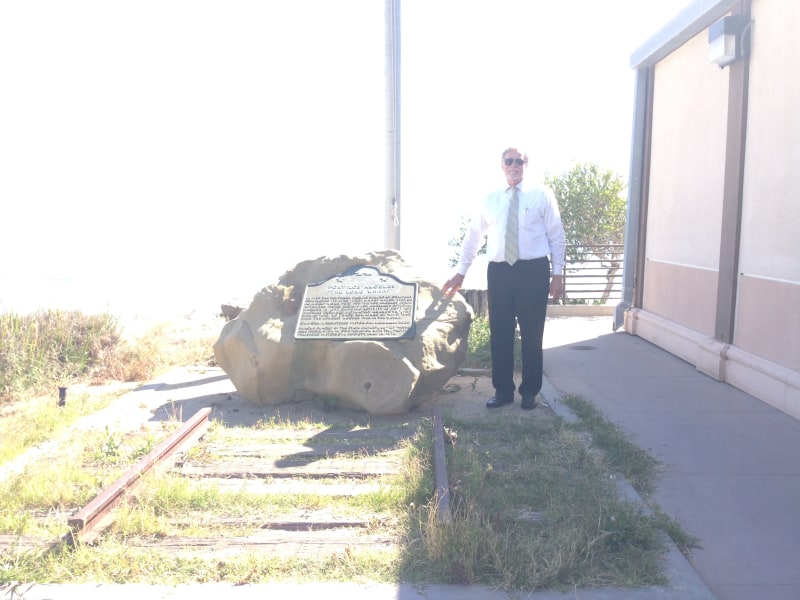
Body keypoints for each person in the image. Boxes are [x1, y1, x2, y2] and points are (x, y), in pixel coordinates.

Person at [442, 147, 566, 410]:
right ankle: (503, 391)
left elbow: (556, 235)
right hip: (500, 272)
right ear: (502, 166)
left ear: (526, 164)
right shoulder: (491, 199)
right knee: (500, 333)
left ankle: (530, 392)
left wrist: (558, 273)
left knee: (533, 334)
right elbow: (473, 237)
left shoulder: (542, 195)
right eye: (509, 161)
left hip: (533, 270)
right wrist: (460, 271)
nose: (514, 165)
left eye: (518, 161)